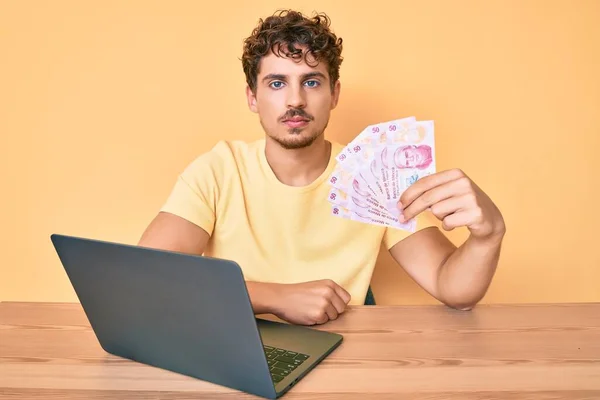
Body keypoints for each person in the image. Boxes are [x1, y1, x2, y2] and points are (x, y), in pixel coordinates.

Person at [138, 10, 506, 326]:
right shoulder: (218, 170)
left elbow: (453, 288)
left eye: (311, 82)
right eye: (277, 83)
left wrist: (488, 235)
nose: (295, 100)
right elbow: (148, 280)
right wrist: (272, 297)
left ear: (334, 94)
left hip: (345, 351)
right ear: (253, 97)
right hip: (233, 342)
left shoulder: (374, 173)